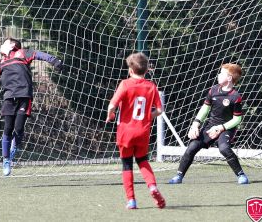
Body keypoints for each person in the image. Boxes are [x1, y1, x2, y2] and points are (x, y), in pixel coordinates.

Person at [0, 37, 63, 176]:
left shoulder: (22, 53)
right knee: (8, 128)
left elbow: (40, 55)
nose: (2, 45)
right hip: (9, 98)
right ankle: (6, 160)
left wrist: (54, 61)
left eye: (4, 43)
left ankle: (15, 146)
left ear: (13, 45)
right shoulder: (2, 62)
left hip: (24, 96)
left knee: (18, 129)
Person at [169, 63, 249, 185]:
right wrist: (195, 124)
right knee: (192, 146)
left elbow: (237, 120)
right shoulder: (213, 90)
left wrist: (221, 128)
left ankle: (241, 175)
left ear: (229, 78)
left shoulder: (235, 96)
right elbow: (205, 109)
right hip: (210, 126)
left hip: (227, 128)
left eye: (221, 73)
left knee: (224, 148)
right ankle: (178, 176)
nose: (218, 75)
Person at [106, 52, 166, 210]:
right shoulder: (152, 86)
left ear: (130, 70)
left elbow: (112, 105)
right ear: (146, 71)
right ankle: (152, 186)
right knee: (143, 161)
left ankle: (131, 200)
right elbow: (160, 110)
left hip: (126, 132)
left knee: (127, 165)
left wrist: (110, 114)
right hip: (143, 132)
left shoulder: (125, 84)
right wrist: (148, 116)